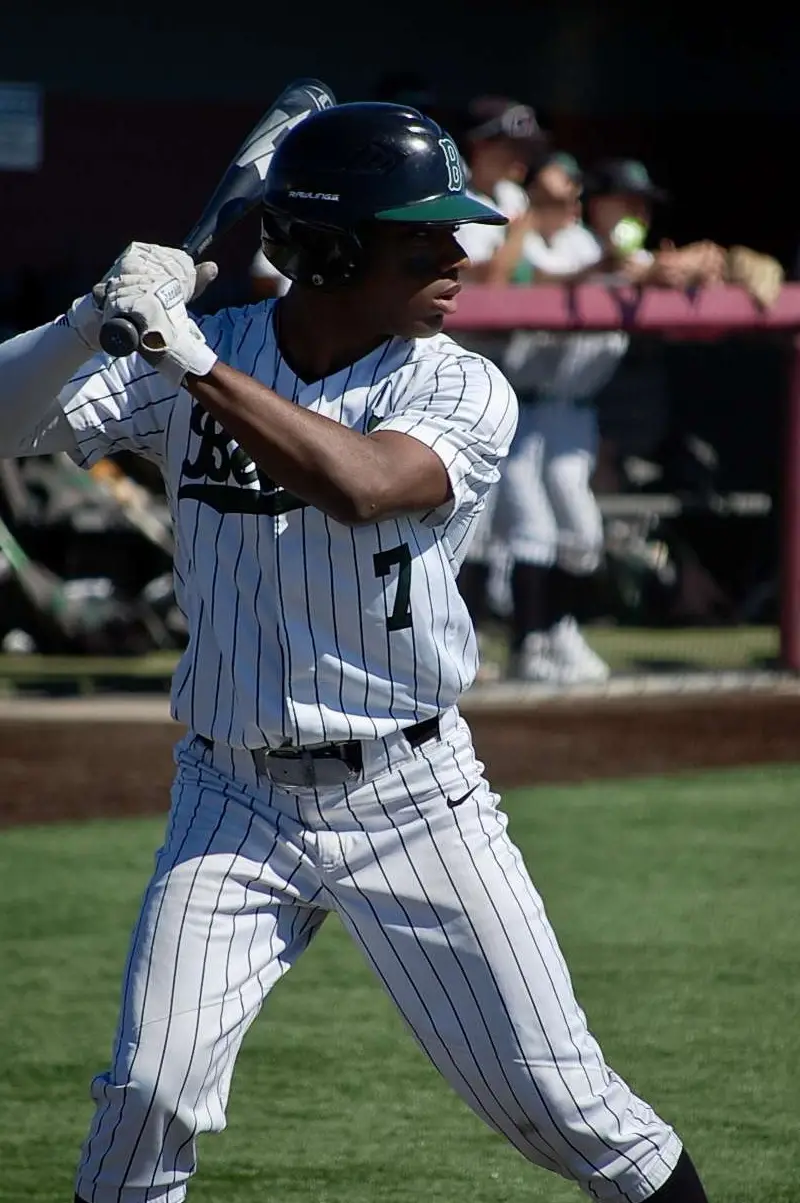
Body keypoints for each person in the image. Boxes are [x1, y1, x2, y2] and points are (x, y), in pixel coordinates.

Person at [0, 102, 708, 1203]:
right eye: (420, 240)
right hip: (230, 798)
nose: (456, 258)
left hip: (413, 797)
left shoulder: (454, 381)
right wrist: (90, 318)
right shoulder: (209, 350)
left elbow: (364, 485)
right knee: (145, 1095)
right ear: (329, 252)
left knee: (567, 1108)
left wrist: (183, 354)